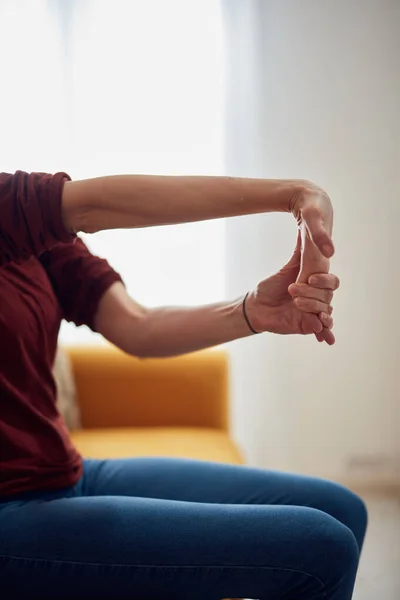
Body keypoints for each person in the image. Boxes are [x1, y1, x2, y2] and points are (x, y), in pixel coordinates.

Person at [0, 170, 366, 599]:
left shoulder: (31, 235)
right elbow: (88, 205)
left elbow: (137, 327)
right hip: (9, 507)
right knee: (321, 548)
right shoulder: (11, 205)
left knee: (343, 508)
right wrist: (292, 195)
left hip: (62, 473)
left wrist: (254, 311)